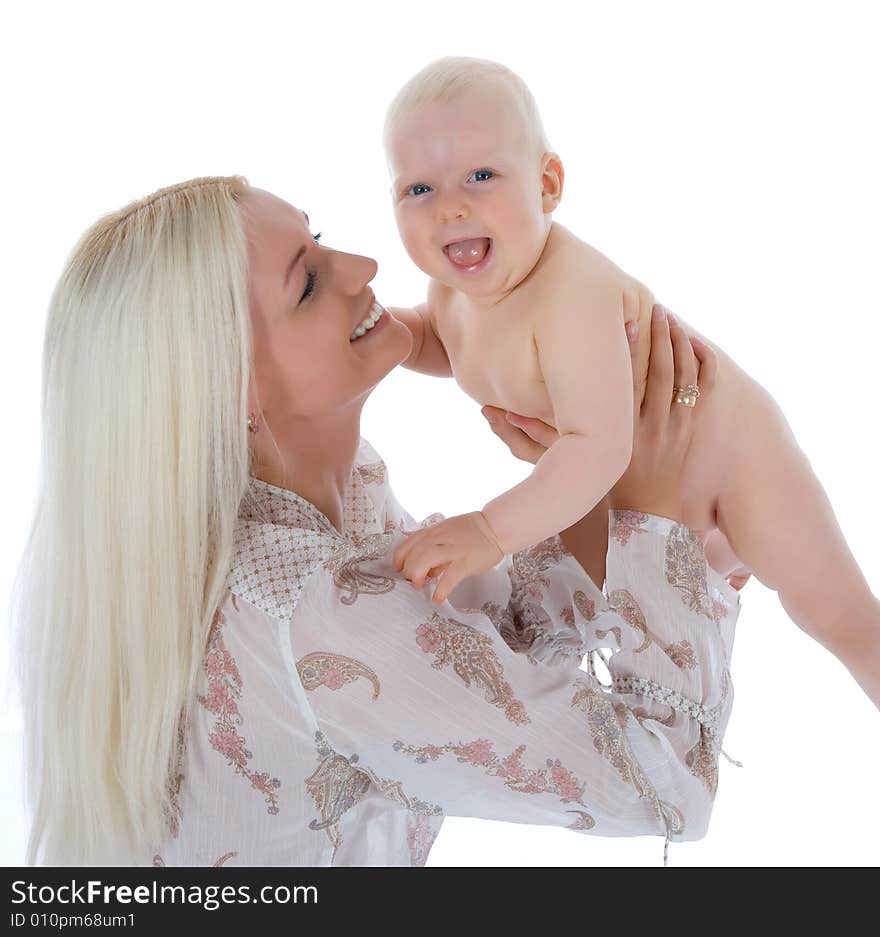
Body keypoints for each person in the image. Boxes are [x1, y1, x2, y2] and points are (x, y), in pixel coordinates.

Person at [13, 176, 736, 867]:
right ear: (228, 389)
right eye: (307, 283)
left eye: (320, 239)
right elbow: (668, 786)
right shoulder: (312, 609)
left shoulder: (319, 490)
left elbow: (487, 631)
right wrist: (653, 512)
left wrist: (598, 476)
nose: (363, 267)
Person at [383, 57, 879, 708]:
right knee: (639, 589)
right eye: (418, 188)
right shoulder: (452, 292)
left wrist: (489, 530)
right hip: (649, 497)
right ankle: (716, 552)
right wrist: (385, 333)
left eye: (481, 175)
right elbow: (438, 340)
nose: (450, 207)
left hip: (736, 461)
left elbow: (597, 447)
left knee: (836, 613)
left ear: (548, 184)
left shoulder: (571, 296)